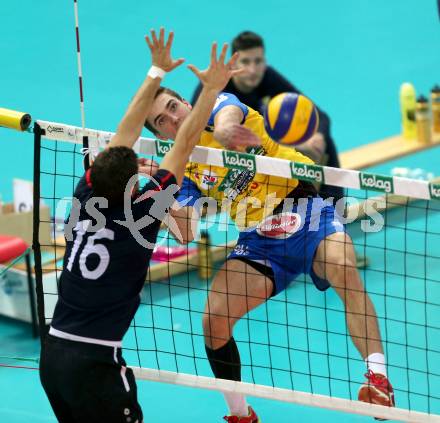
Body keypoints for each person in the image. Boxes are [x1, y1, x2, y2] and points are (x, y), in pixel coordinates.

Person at [144, 86, 395, 421]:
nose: (174, 118)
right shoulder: (180, 166)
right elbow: (186, 231)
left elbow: (228, 115)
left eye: (174, 106)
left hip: (307, 209)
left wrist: (223, 132)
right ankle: (240, 414)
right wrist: (159, 190)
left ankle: (378, 379)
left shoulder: (216, 107)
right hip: (259, 239)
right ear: (159, 133)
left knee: (343, 268)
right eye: (163, 120)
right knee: (213, 320)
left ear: (187, 102)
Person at [39, 28, 243, 422]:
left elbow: (126, 132)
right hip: (95, 365)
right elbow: (183, 144)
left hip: (51, 355)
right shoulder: (144, 215)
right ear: (134, 183)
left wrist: (155, 70)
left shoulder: (85, 194)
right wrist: (212, 87)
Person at [191, 30, 343, 202]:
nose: (253, 70)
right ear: (233, 64)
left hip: (263, 150)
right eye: (245, 62)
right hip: (223, 167)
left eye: (258, 61)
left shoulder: (267, 77)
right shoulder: (216, 88)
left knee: (322, 142)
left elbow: (319, 115)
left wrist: (317, 137)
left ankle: (335, 209)